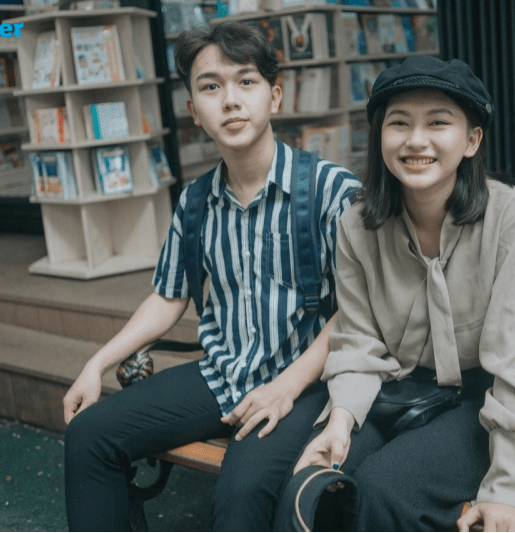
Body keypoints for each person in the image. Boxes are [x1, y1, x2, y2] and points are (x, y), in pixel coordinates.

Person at [62, 21, 360, 531]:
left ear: (274, 96)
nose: (231, 100)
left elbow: (360, 308)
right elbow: (168, 296)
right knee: (89, 435)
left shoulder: (331, 190)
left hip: (308, 381)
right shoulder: (196, 201)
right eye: (210, 86)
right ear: (194, 112)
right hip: (222, 375)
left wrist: (285, 387)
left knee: (240, 496)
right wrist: (97, 363)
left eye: (246, 81)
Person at [289, 55, 515, 532]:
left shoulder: (514, 218)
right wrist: (340, 421)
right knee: (314, 483)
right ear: (380, 136)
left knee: (384, 489)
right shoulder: (357, 224)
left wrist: (508, 486)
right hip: (397, 389)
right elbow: (357, 340)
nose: (416, 140)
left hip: (480, 401)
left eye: (438, 123)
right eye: (399, 123)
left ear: (472, 140)